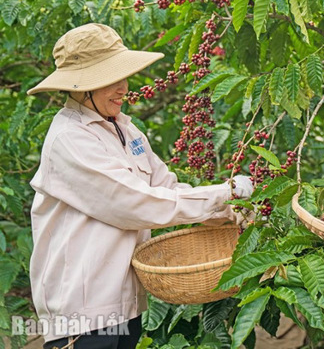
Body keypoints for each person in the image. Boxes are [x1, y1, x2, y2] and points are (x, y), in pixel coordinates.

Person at [27, 23, 253, 349]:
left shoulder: (126, 130)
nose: (123, 88)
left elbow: (166, 188)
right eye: (110, 80)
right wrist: (224, 191)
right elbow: (136, 203)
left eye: (123, 77)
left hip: (125, 303)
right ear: (80, 87)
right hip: (82, 311)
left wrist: (227, 213)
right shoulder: (69, 138)